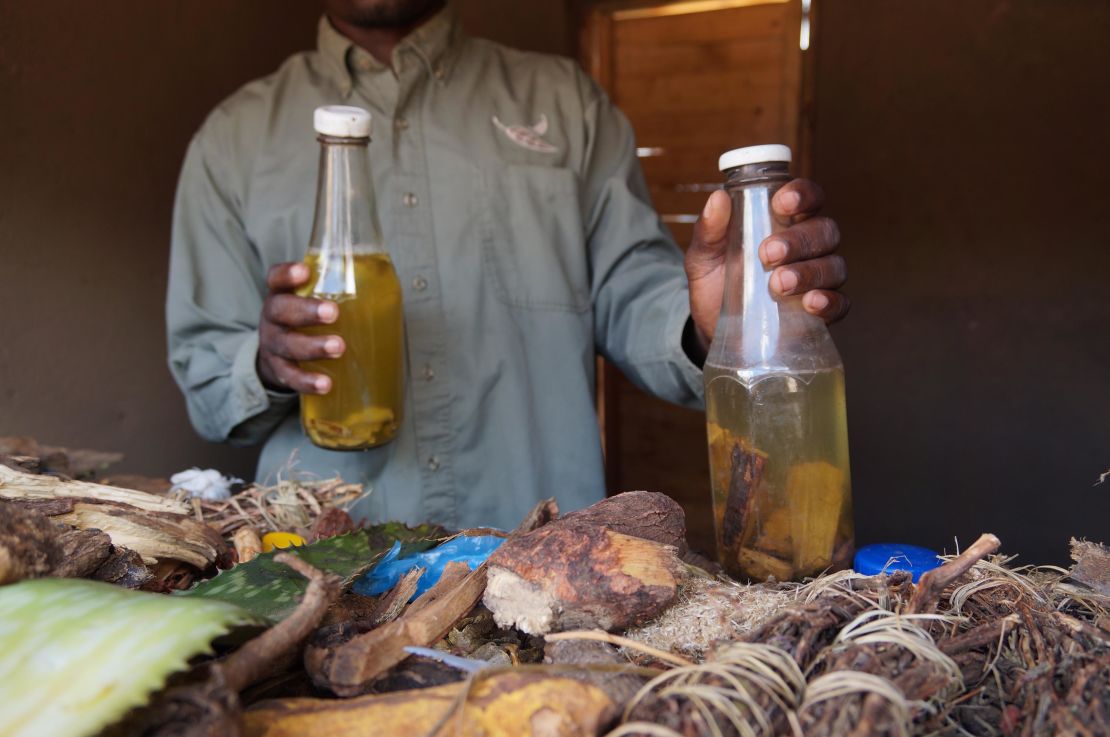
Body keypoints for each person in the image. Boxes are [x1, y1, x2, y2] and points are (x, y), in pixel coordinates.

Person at [167, 0, 848, 531]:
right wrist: (266, 361)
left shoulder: (564, 105)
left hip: (551, 564)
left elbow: (632, 291)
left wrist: (717, 321)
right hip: (326, 570)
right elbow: (206, 374)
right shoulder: (232, 141)